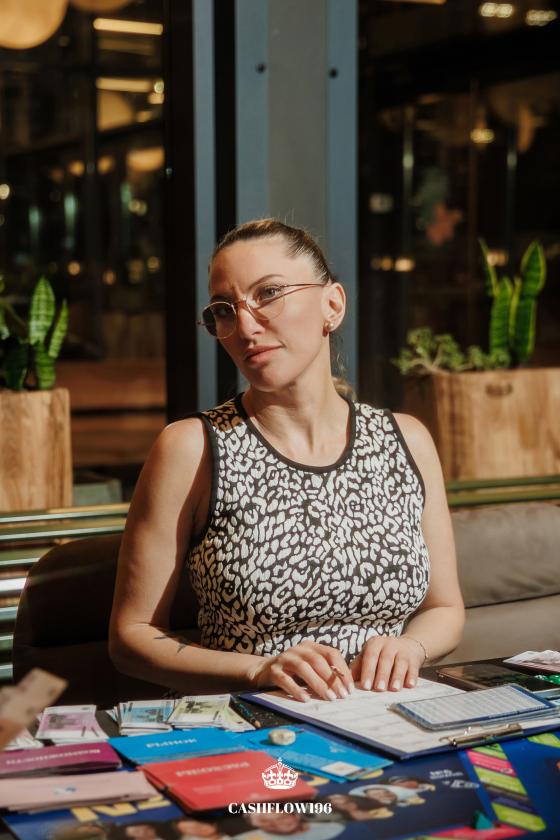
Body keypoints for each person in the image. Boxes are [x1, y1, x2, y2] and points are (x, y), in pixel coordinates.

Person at [109, 218, 464, 701]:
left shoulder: (407, 439)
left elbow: (445, 609)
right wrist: (259, 669)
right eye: (225, 310)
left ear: (332, 304)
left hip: (386, 715)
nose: (245, 326)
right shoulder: (192, 447)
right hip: (254, 722)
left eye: (269, 293)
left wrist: (411, 646)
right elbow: (132, 636)